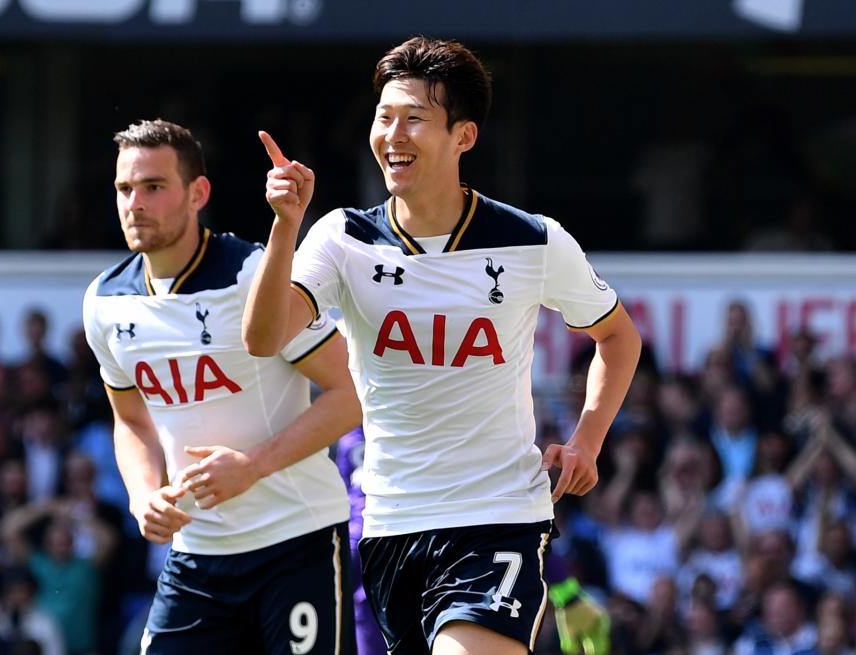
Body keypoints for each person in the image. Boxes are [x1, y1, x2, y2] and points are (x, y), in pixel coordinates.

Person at [243, 37, 641, 655]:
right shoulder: (342, 238)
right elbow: (264, 337)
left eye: (415, 119)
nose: (392, 134)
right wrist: (284, 227)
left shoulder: (532, 241)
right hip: (389, 525)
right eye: (384, 117)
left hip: (499, 516)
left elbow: (616, 335)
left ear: (464, 136)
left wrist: (588, 439)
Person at [82, 119, 360, 654]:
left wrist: (253, 466)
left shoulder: (250, 275)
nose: (134, 203)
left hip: (294, 543)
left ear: (198, 194)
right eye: (124, 189)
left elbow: (351, 391)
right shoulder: (104, 301)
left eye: (153, 187)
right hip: (196, 558)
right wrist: (143, 497)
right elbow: (132, 420)